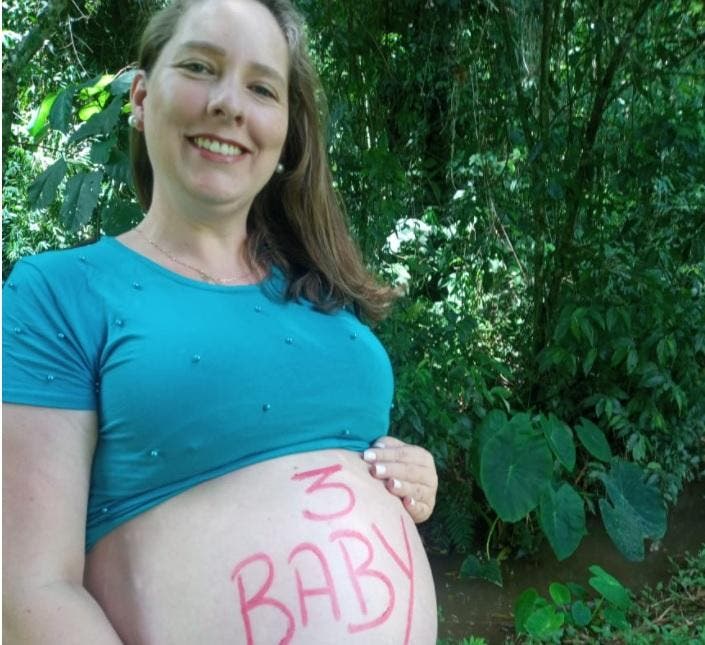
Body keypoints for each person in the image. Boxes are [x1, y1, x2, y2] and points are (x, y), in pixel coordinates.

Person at [2, 0, 439, 643]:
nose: (230, 104)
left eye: (261, 87)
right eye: (201, 67)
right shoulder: (58, 292)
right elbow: (26, 590)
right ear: (143, 97)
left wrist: (410, 475)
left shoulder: (320, 293)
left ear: (286, 131)